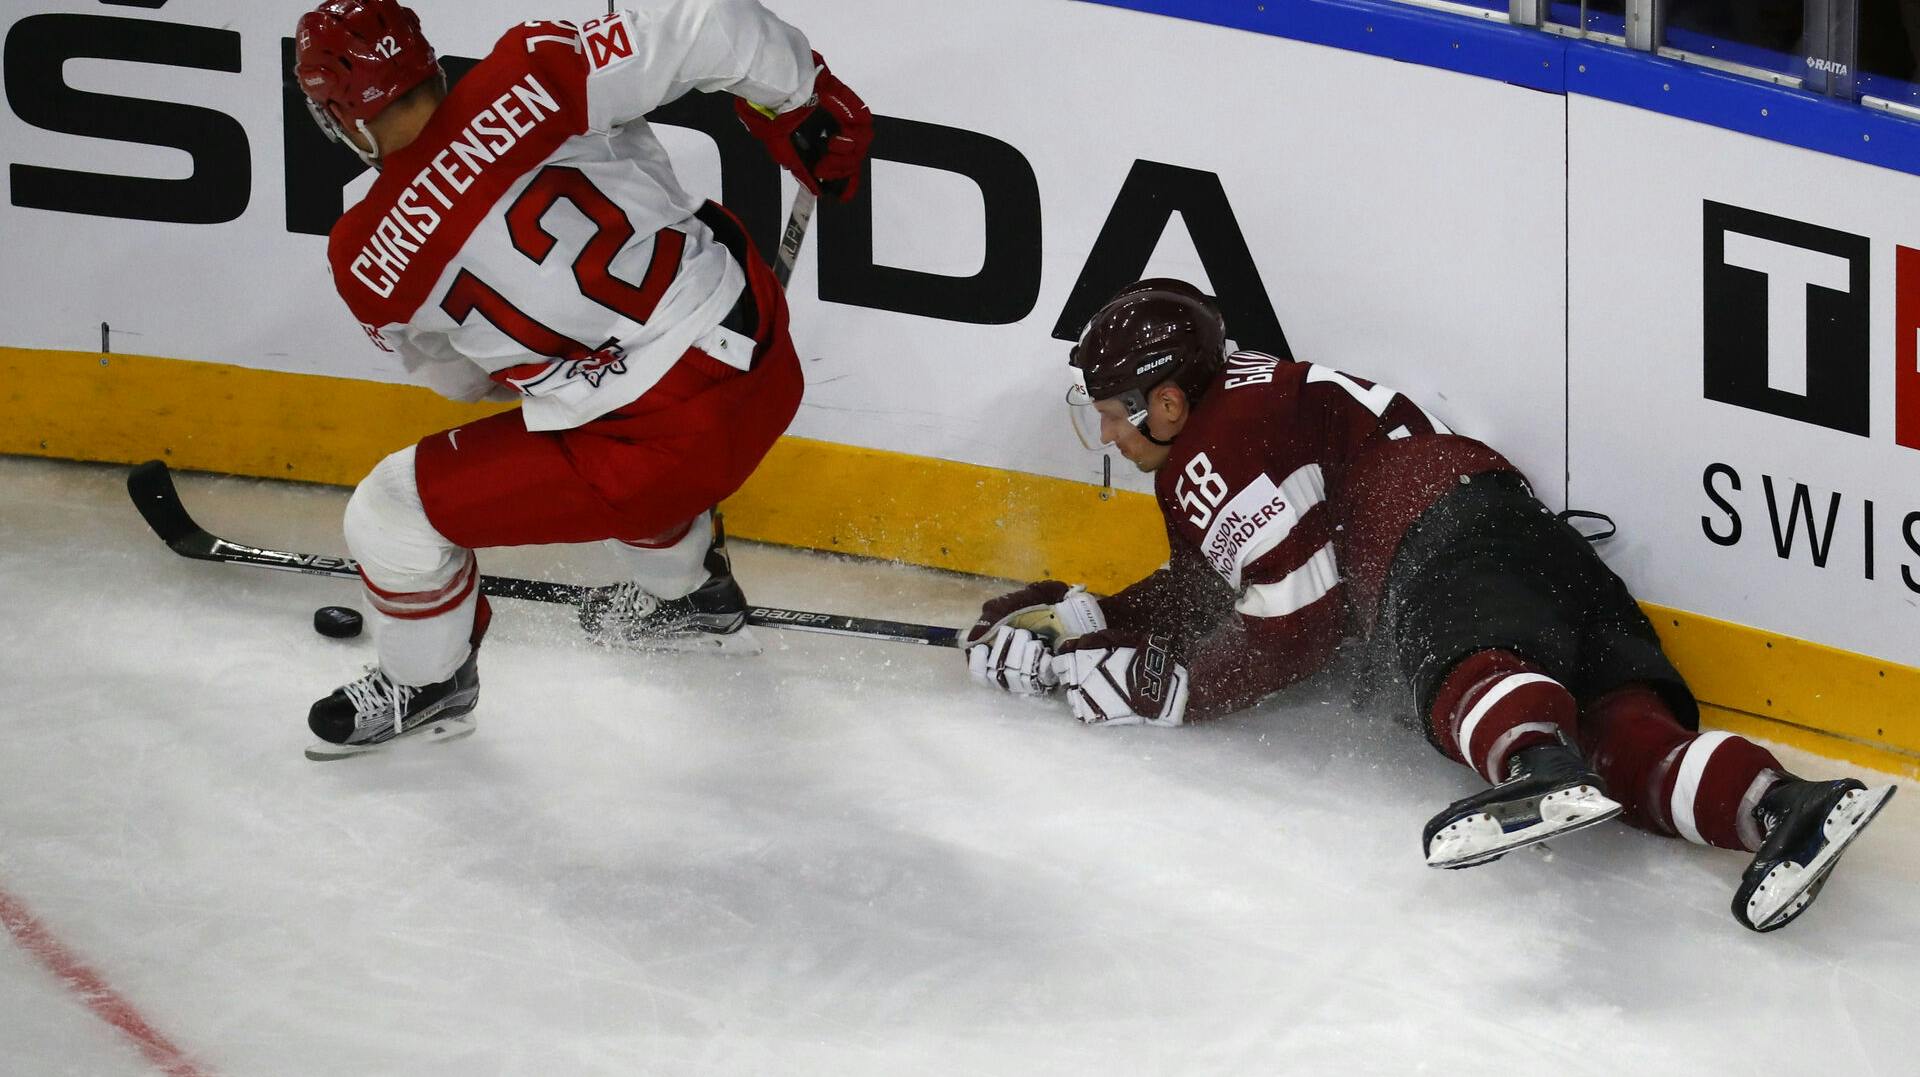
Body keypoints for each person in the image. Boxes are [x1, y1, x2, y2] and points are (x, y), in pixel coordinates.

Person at [964, 279, 1896, 932]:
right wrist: (1083, 618)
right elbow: (1220, 579)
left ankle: (1532, 759)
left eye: (1116, 413)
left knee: (1467, 676)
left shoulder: (1210, 452)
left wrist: (1171, 689)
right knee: (1623, 735)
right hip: (1526, 537)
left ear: (1168, 401)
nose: (1112, 433)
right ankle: (1785, 806)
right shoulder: (1249, 403)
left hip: (1434, 539)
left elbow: (1300, 622)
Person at [292, 0, 871, 758]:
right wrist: (803, 97)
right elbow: (703, 23)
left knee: (393, 510)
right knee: (604, 419)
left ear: (345, 116)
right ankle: (691, 594)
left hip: (655, 459)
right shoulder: (532, 68)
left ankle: (426, 682)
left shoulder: (366, 256)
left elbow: (465, 382)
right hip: (763, 360)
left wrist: (573, 366)